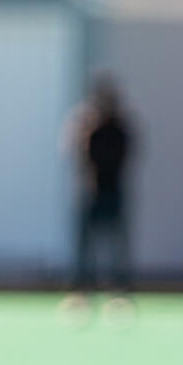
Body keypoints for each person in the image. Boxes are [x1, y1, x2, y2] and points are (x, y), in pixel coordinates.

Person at [63, 75, 137, 315]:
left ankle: (119, 294)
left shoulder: (120, 126)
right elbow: (73, 151)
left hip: (113, 192)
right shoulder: (85, 124)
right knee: (85, 248)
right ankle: (81, 294)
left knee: (117, 247)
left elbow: (128, 155)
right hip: (90, 194)